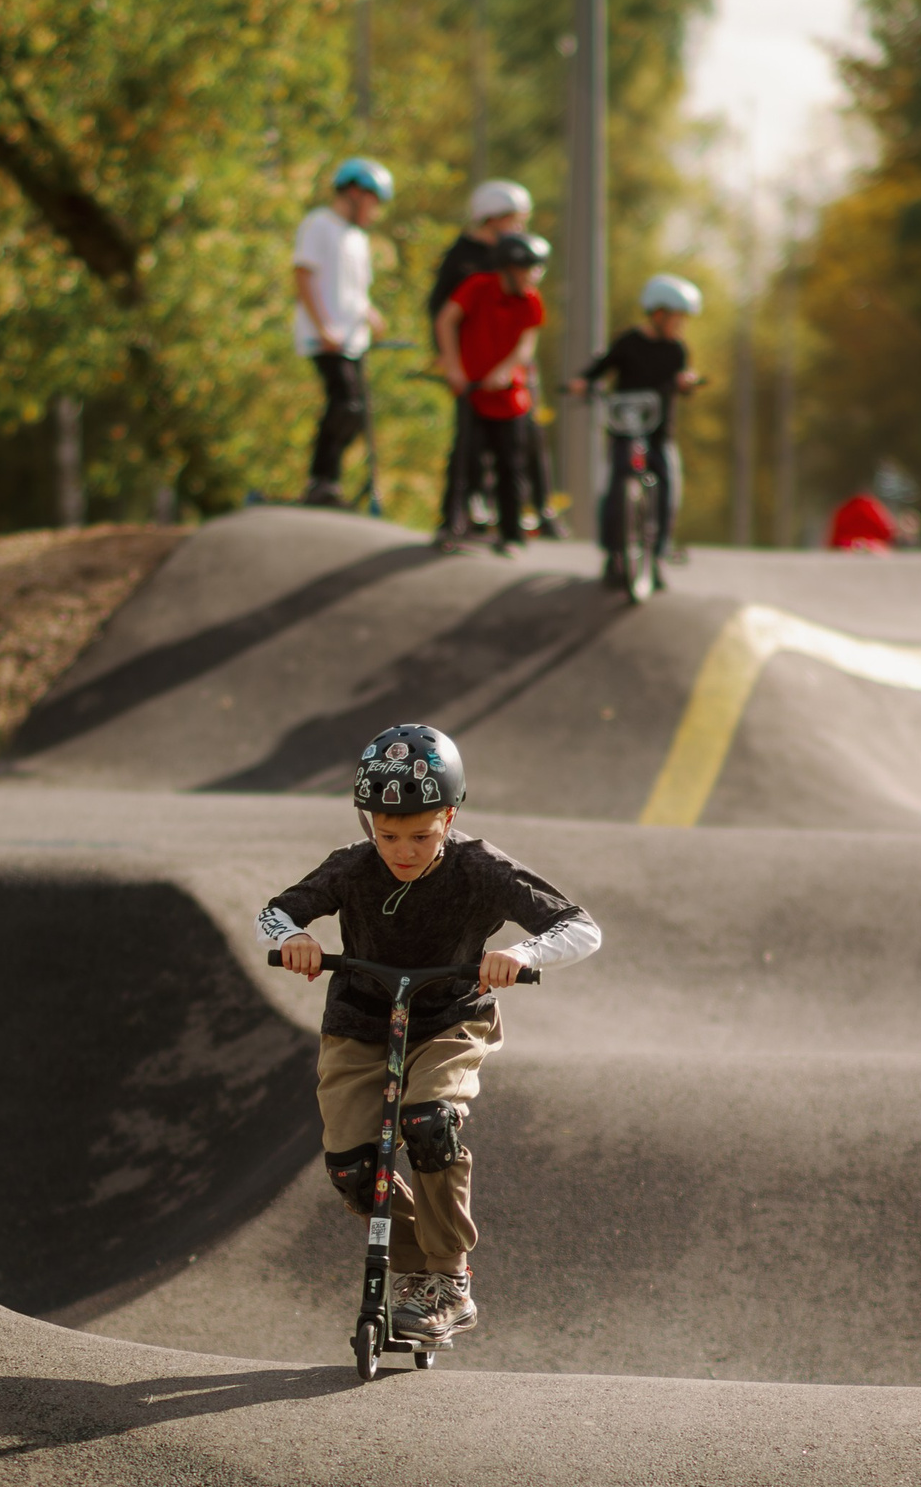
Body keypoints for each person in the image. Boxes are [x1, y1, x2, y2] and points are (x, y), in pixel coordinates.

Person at [257, 722, 600, 1348]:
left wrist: (521, 954)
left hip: (450, 1019)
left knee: (427, 1122)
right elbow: (273, 913)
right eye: (387, 835)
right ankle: (416, 1271)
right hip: (360, 1022)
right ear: (368, 822)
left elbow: (580, 927)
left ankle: (448, 1277)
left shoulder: (482, 868)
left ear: (450, 816)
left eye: (422, 835)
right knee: (353, 1169)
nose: (403, 851)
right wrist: (295, 938)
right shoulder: (353, 866)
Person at [427, 182, 563, 546]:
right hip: (471, 379)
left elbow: (526, 342)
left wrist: (506, 370)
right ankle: (455, 521)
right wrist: (451, 364)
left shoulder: (529, 297)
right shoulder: (469, 271)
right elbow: (444, 317)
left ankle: (519, 526)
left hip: (508, 389)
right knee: (465, 454)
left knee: (514, 457)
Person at [571, 274, 703, 587]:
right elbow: (601, 367)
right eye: (677, 318)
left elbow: (683, 380)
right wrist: (583, 382)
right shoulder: (628, 342)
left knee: (667, 485)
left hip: (659, 431)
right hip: (626, 429)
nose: (680, 325)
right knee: (617, 484)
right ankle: (613, 555)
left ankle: (656, 557)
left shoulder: (676, 350)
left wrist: (686, 383)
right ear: (658, 314)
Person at [292, 158, 393, 509]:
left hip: (352, 339)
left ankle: (329, 482)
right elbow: (303, 275)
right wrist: (323, 326)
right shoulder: (319, 224)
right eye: (373, 201)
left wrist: (370, 313)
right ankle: (321, 481)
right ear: (354, 192)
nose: (375, 210)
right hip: (326, 336)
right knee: (345, 403)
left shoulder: (357, 237)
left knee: (356, 410)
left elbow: (354, 289)